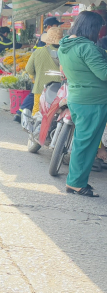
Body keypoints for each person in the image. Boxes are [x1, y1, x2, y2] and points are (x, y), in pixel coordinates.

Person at [57, 11, 107, 197]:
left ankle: (77, 181)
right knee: (85, 144)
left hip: (78, 98)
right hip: (92, 102)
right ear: (91, 28)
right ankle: (76, 183)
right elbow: (104, 74)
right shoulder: (86, 47)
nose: (100, 32)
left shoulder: (66, 45)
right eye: (99, 28)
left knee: (85, 142)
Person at [23, 26, 62, 116]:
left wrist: (36, 75)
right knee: (56, 113)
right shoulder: (66, 53)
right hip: (59, 90)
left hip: (40, 88)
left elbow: (28, 69)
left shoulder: (38, 52)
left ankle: (36, 128)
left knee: (37, 111)